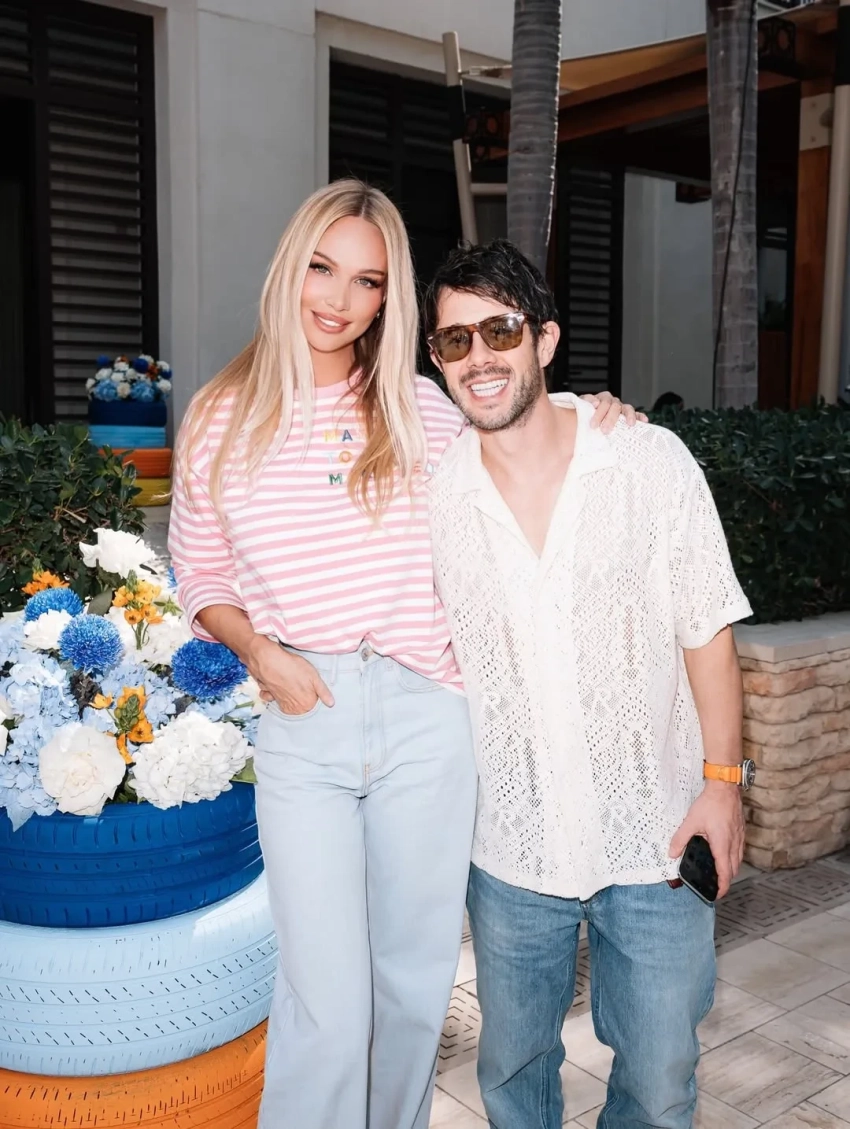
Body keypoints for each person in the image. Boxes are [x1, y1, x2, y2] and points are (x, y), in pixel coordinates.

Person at [168, 181, 638, 1129]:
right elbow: (200, 570)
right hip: (305, 709)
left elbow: (523, 446)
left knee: (414, 987)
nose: (339, 298)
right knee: (327, 1002)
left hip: (429, 715)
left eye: (368, 280)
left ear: (388, 298)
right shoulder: (220, 414)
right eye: (323, 267)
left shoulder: (421, 408)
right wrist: (260, 652)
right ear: (290, 267)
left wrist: (594, 415)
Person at [424, 239, 754, 1129]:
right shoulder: (433, 495)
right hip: (510, 849)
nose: (479, 356)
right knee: (511, 1076)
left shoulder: (646, 462)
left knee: (659, 1083)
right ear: (438, 360)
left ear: (545, 339)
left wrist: (724, 788)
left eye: (500, 330)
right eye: (455, 340)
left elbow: (708, 632)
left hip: (657, 840)